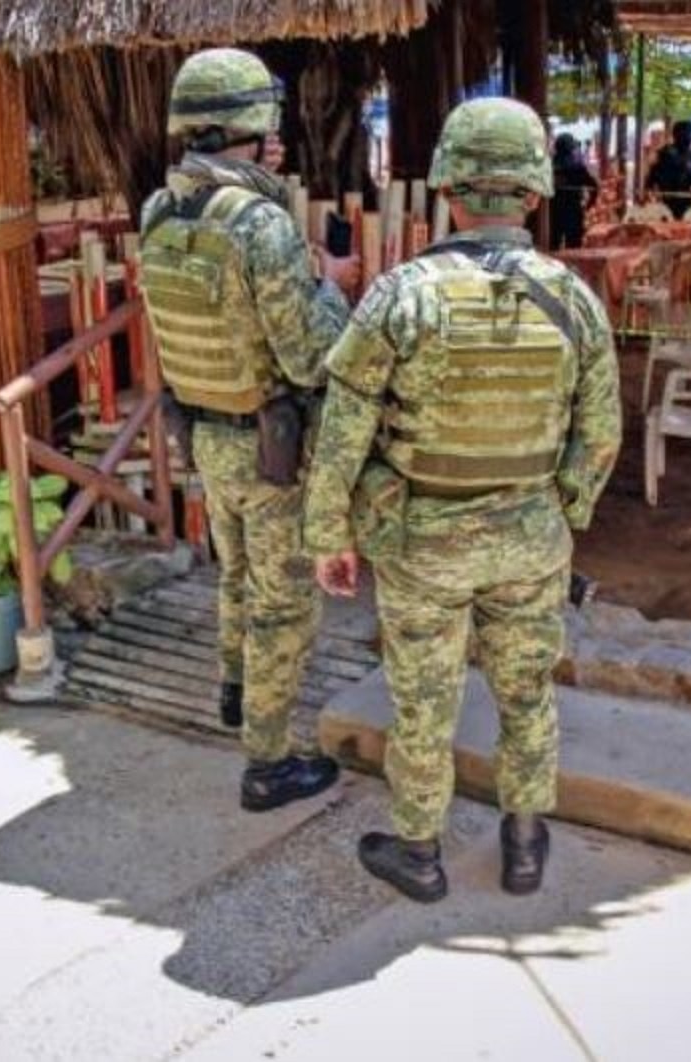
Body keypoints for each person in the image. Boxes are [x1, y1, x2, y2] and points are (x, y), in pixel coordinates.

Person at [303, 97, 623, 902]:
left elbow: (341, 430)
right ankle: (521, 843)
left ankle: (419, 852)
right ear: (535, 192)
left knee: (422, 701)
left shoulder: (399, 296)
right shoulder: (575, 298)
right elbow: (602, 436)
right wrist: (559, 516)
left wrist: (328, 534)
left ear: (447, 186)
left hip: (421, 544)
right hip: (528, 539)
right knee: (527, 691)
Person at [138, 48, 360, 811]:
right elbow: (313, 355)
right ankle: (267, 761)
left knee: (233, 575)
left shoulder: (159, 212)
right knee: (283, 602)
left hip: (204, 432)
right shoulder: (259, 224)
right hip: (271, 450)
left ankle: (235, 690)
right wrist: (329, 283)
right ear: (253, 126)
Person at [644, 120, 691, 220]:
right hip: (665, 202)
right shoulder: (663, 153)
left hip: (686, 201)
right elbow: (652, 174)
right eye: (689, 134)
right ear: (678, 135)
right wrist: (648, 190)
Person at [551, 132, 599, 250]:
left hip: (552, 212)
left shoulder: (549, 167)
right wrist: (589, 205)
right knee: (574, 248)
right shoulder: (577, 168)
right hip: (573, 211)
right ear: (571, 148)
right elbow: (594, 187)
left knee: (551, 247)